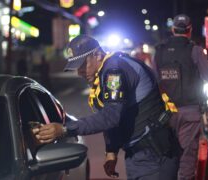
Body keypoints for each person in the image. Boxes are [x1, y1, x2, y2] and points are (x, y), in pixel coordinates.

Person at [32, 34, 179, 179]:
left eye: (83, 65)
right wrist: (111, 150)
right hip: (140, 154)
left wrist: (65, 129)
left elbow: (110, 117)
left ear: (97, 55)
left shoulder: (114, 72)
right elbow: (115, 114)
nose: (80, 73)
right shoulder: (107, 70)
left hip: (154, 157)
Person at [153, 14, 208, 180]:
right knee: (187, 160)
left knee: (167, 157)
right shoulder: (194, 50)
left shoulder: (159, 52)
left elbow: (153, 82)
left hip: (165, 114)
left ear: (173, 29)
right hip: (190, 113)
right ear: (189, 30)